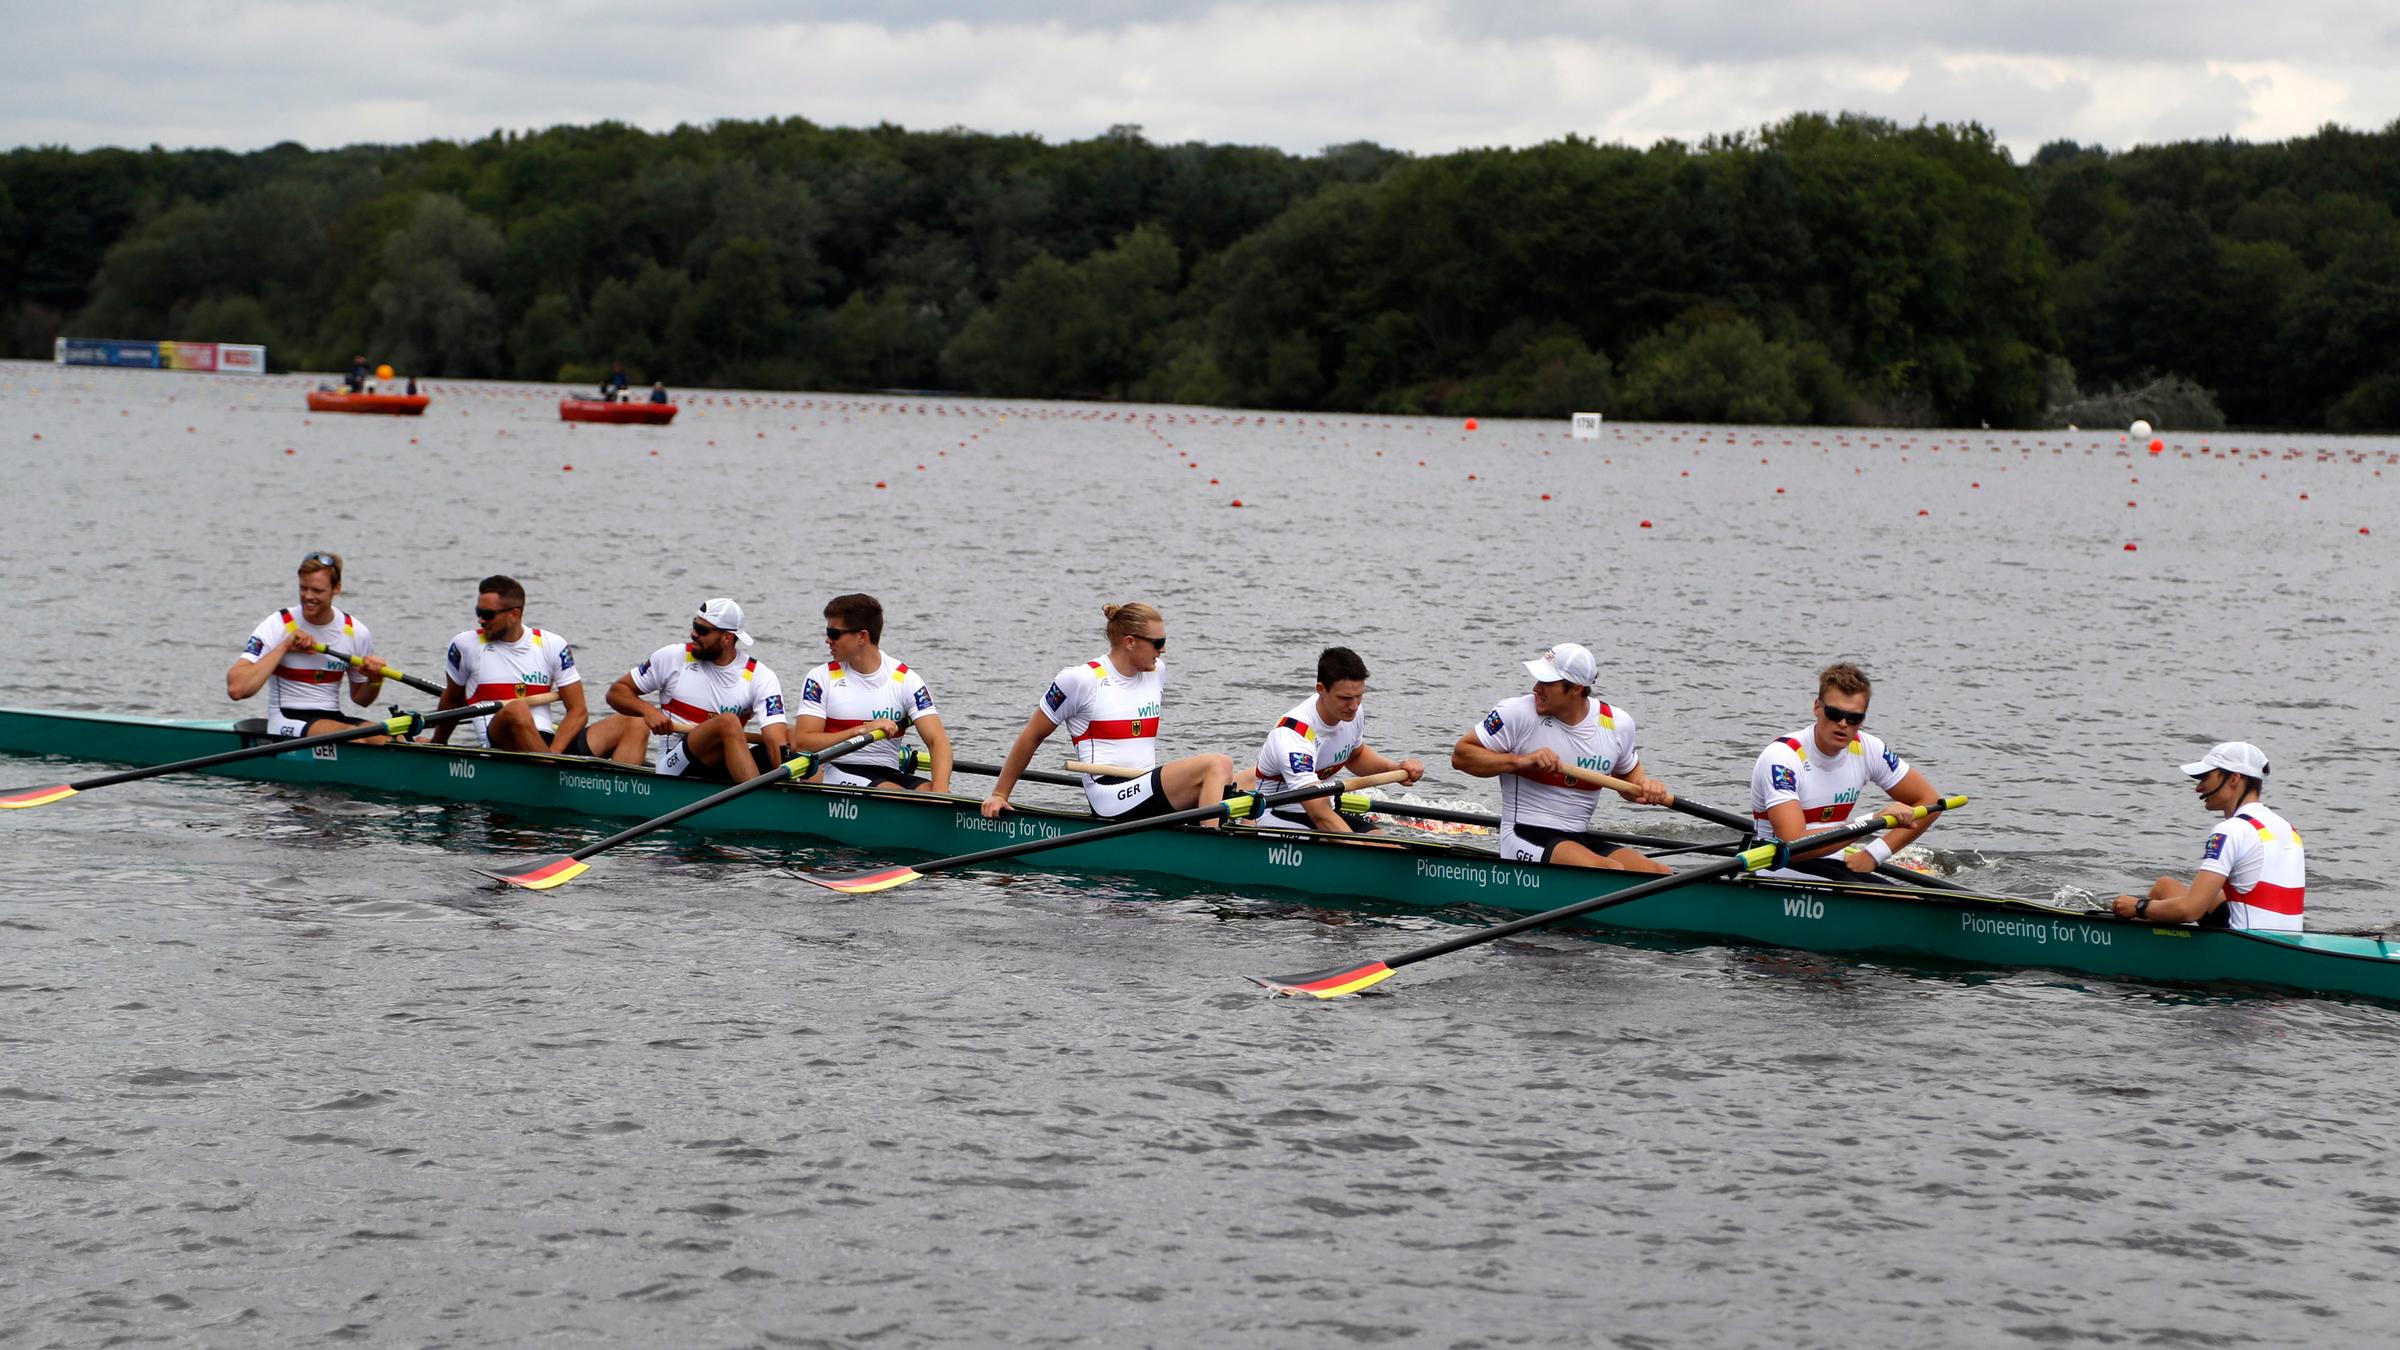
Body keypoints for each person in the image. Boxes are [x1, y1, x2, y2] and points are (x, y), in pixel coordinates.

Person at [981, 603, 1235, 825]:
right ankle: (1212, 844)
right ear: (1130, 642)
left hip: (1143, 785)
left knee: (1245, 780)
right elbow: (1031, 736)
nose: (1163, 650)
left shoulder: (1157, 672)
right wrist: (1000, 795)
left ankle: (1231, 831)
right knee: (1217, 764)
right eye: (1158, 643)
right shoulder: (1080, 679)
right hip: (1109, 795)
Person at [1451, 642, 1671, 872]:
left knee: (1659, 873)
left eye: (1547, 682)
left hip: (1579, 838)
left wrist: (1646, 787)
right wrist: (1519, 761)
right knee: (1610, 870)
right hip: (1523, 834)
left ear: (1576, 688)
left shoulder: (1616, 723)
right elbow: (1461, 756)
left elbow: (1630, 782)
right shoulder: (1517, 713)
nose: (1537, 688)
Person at [1747, 663, 1942, 880]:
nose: (1842, 723)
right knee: (1899, 903)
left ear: (1863, 720)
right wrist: (1873, 821)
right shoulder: (1782, 758)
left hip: (1834, 861)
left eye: (1853, 718)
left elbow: (1930, 801)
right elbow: (1794, 844)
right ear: (1817, 707)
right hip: (1779, 863)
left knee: (1918, 900)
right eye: (1834, 713)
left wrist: (1875, 853)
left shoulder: (1869, 749)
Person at [584, 599, 791, 781]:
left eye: (702, 630)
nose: (693, 634)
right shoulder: (673, 658)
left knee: (792, 736)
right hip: (674, 766)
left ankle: (788, 795)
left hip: (725, 765)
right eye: (694, 626)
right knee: (728, 722)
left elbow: (776, 741)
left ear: (727, 638)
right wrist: (649, 711)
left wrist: (786, 773)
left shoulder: (760, 676)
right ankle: (754, 802)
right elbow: (617, 692)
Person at [2111, 742, 2304, 931]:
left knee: (2158, 900)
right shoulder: (2288, 829)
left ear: (2234, 778)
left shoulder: (2231, 830)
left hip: (2245, 949)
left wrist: (2139, 907)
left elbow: (2190, 911)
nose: (2198, 788)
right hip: (2288, 944)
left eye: (2205, 777)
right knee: (2166, 885)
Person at [1240, 647, 1425, 832]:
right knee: (1368, 850)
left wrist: (1394, 768)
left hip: (1324, 807)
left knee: (1387, 845)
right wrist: (1359, 849)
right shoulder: (1293, 734)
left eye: (1359, 696)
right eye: (1345, 698)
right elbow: (1320, 814)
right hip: (1276, 815)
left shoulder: (1352, 713)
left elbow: (1356, 755)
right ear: (1321, 689)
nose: (1354, 706)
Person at [790, 594, 953, 792]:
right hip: (834, 769)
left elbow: (938, 742)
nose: (828, 640)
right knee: (894, 793)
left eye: (834, 633)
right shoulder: (820, 679)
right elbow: (803, 742)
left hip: (888, 771)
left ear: (862, 637)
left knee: (932, 792)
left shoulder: (906, 680)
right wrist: (860, 730)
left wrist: (941, 793)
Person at [225, 550, 391, 740]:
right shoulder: (279, 623)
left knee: (389, 738)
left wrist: (375, 680)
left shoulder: (356, 632)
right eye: (303, 588)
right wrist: (285, 646)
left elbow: (362, 700)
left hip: (333, 719)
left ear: (336, 588)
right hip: (286, 720)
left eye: (317, 591)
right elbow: (236, 689)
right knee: (354, 737)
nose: (308, 596)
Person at [426, 575, 589, 755]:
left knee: (624, 723)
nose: (480, 620)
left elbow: (578, 710)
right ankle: (551, 769)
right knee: (517, 709)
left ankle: (551, 766)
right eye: (478, 612)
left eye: (488, 614)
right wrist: (437, 744)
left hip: (546, 743)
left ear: (514, 614)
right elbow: (452, 700)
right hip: (499, 741)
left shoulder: (552, 644)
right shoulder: (465, 645)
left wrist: (556, 752)